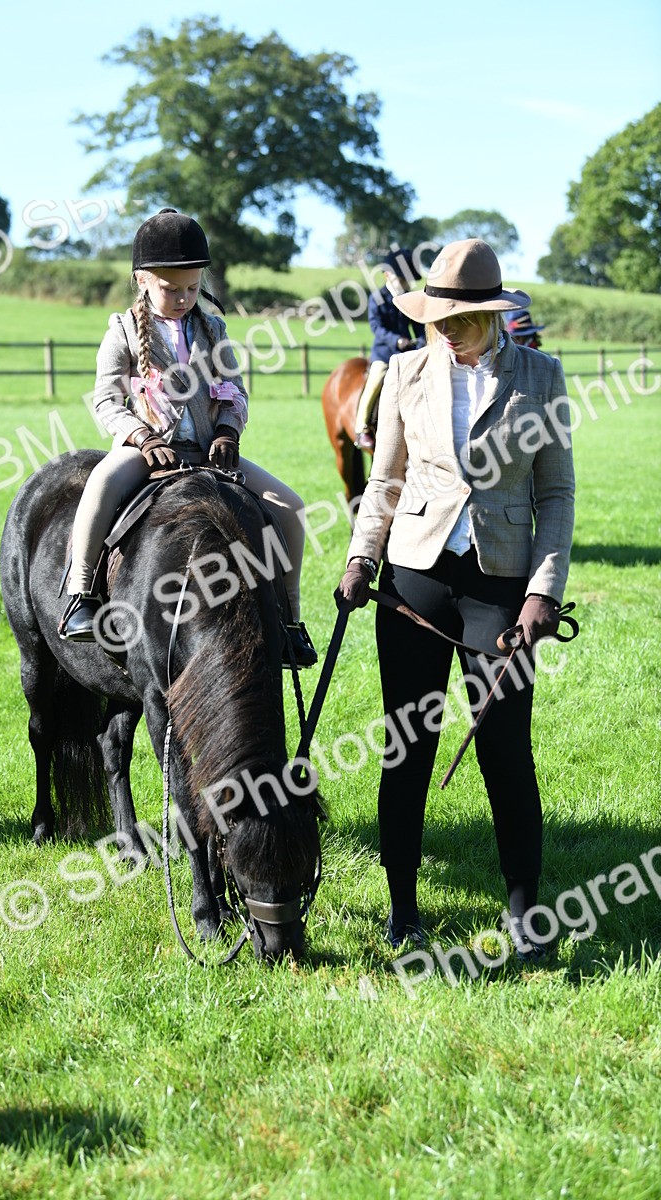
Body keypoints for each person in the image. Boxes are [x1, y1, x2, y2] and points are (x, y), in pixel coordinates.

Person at [335, 238, 575, 961]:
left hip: (501, 584)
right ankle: (402, 907)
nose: (444, 329)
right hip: (415, 576)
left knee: (505, 745)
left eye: (459, 319)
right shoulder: (407, 371)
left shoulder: (541, 375)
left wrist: (543, 591)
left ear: (491, 315)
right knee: (407, 744)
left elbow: (556, 493)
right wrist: (359, 557)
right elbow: (384, 482)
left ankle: (524, 909)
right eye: (436, 316)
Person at [59, 207, 317, 668]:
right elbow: (105, 401)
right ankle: (81, 596)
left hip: (210, 455)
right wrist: (141, 437)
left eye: (193, 288)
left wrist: (226, 431)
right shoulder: (120, 332)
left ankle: (289, 622)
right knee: (99, 485)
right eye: (171, 289)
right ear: (142, 280)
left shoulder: (213, 329)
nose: (183, 298)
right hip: (145, 454)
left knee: (291, 507)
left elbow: (235, 391)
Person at [354, 249, 426, 453]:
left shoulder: (408, 299)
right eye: (401, 279)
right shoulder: (377, 298)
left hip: (407, 354)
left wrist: (422, 341)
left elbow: (419, 325)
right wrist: (397, 340)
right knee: (376, 379)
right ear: (387, 275)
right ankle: (362, 428)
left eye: (406, 281)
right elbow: (376, 327)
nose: (404, 284)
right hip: (384, 353)